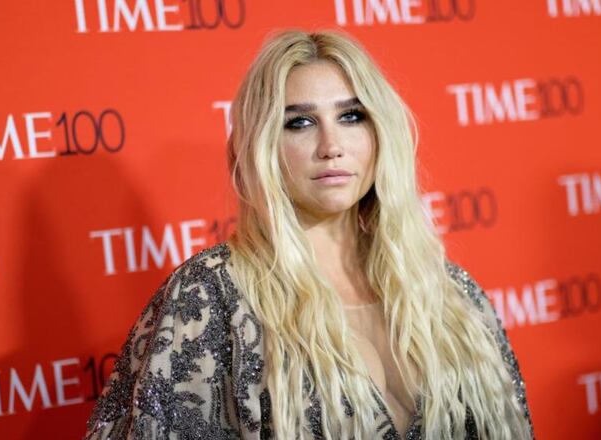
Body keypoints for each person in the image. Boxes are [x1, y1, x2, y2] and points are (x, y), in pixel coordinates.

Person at [83, 29, 534, 440]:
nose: (330, 146)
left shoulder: (452, 295)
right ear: (261, 146)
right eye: (299, 122)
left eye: (352, 116)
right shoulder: (213, 297)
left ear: (381, 131)